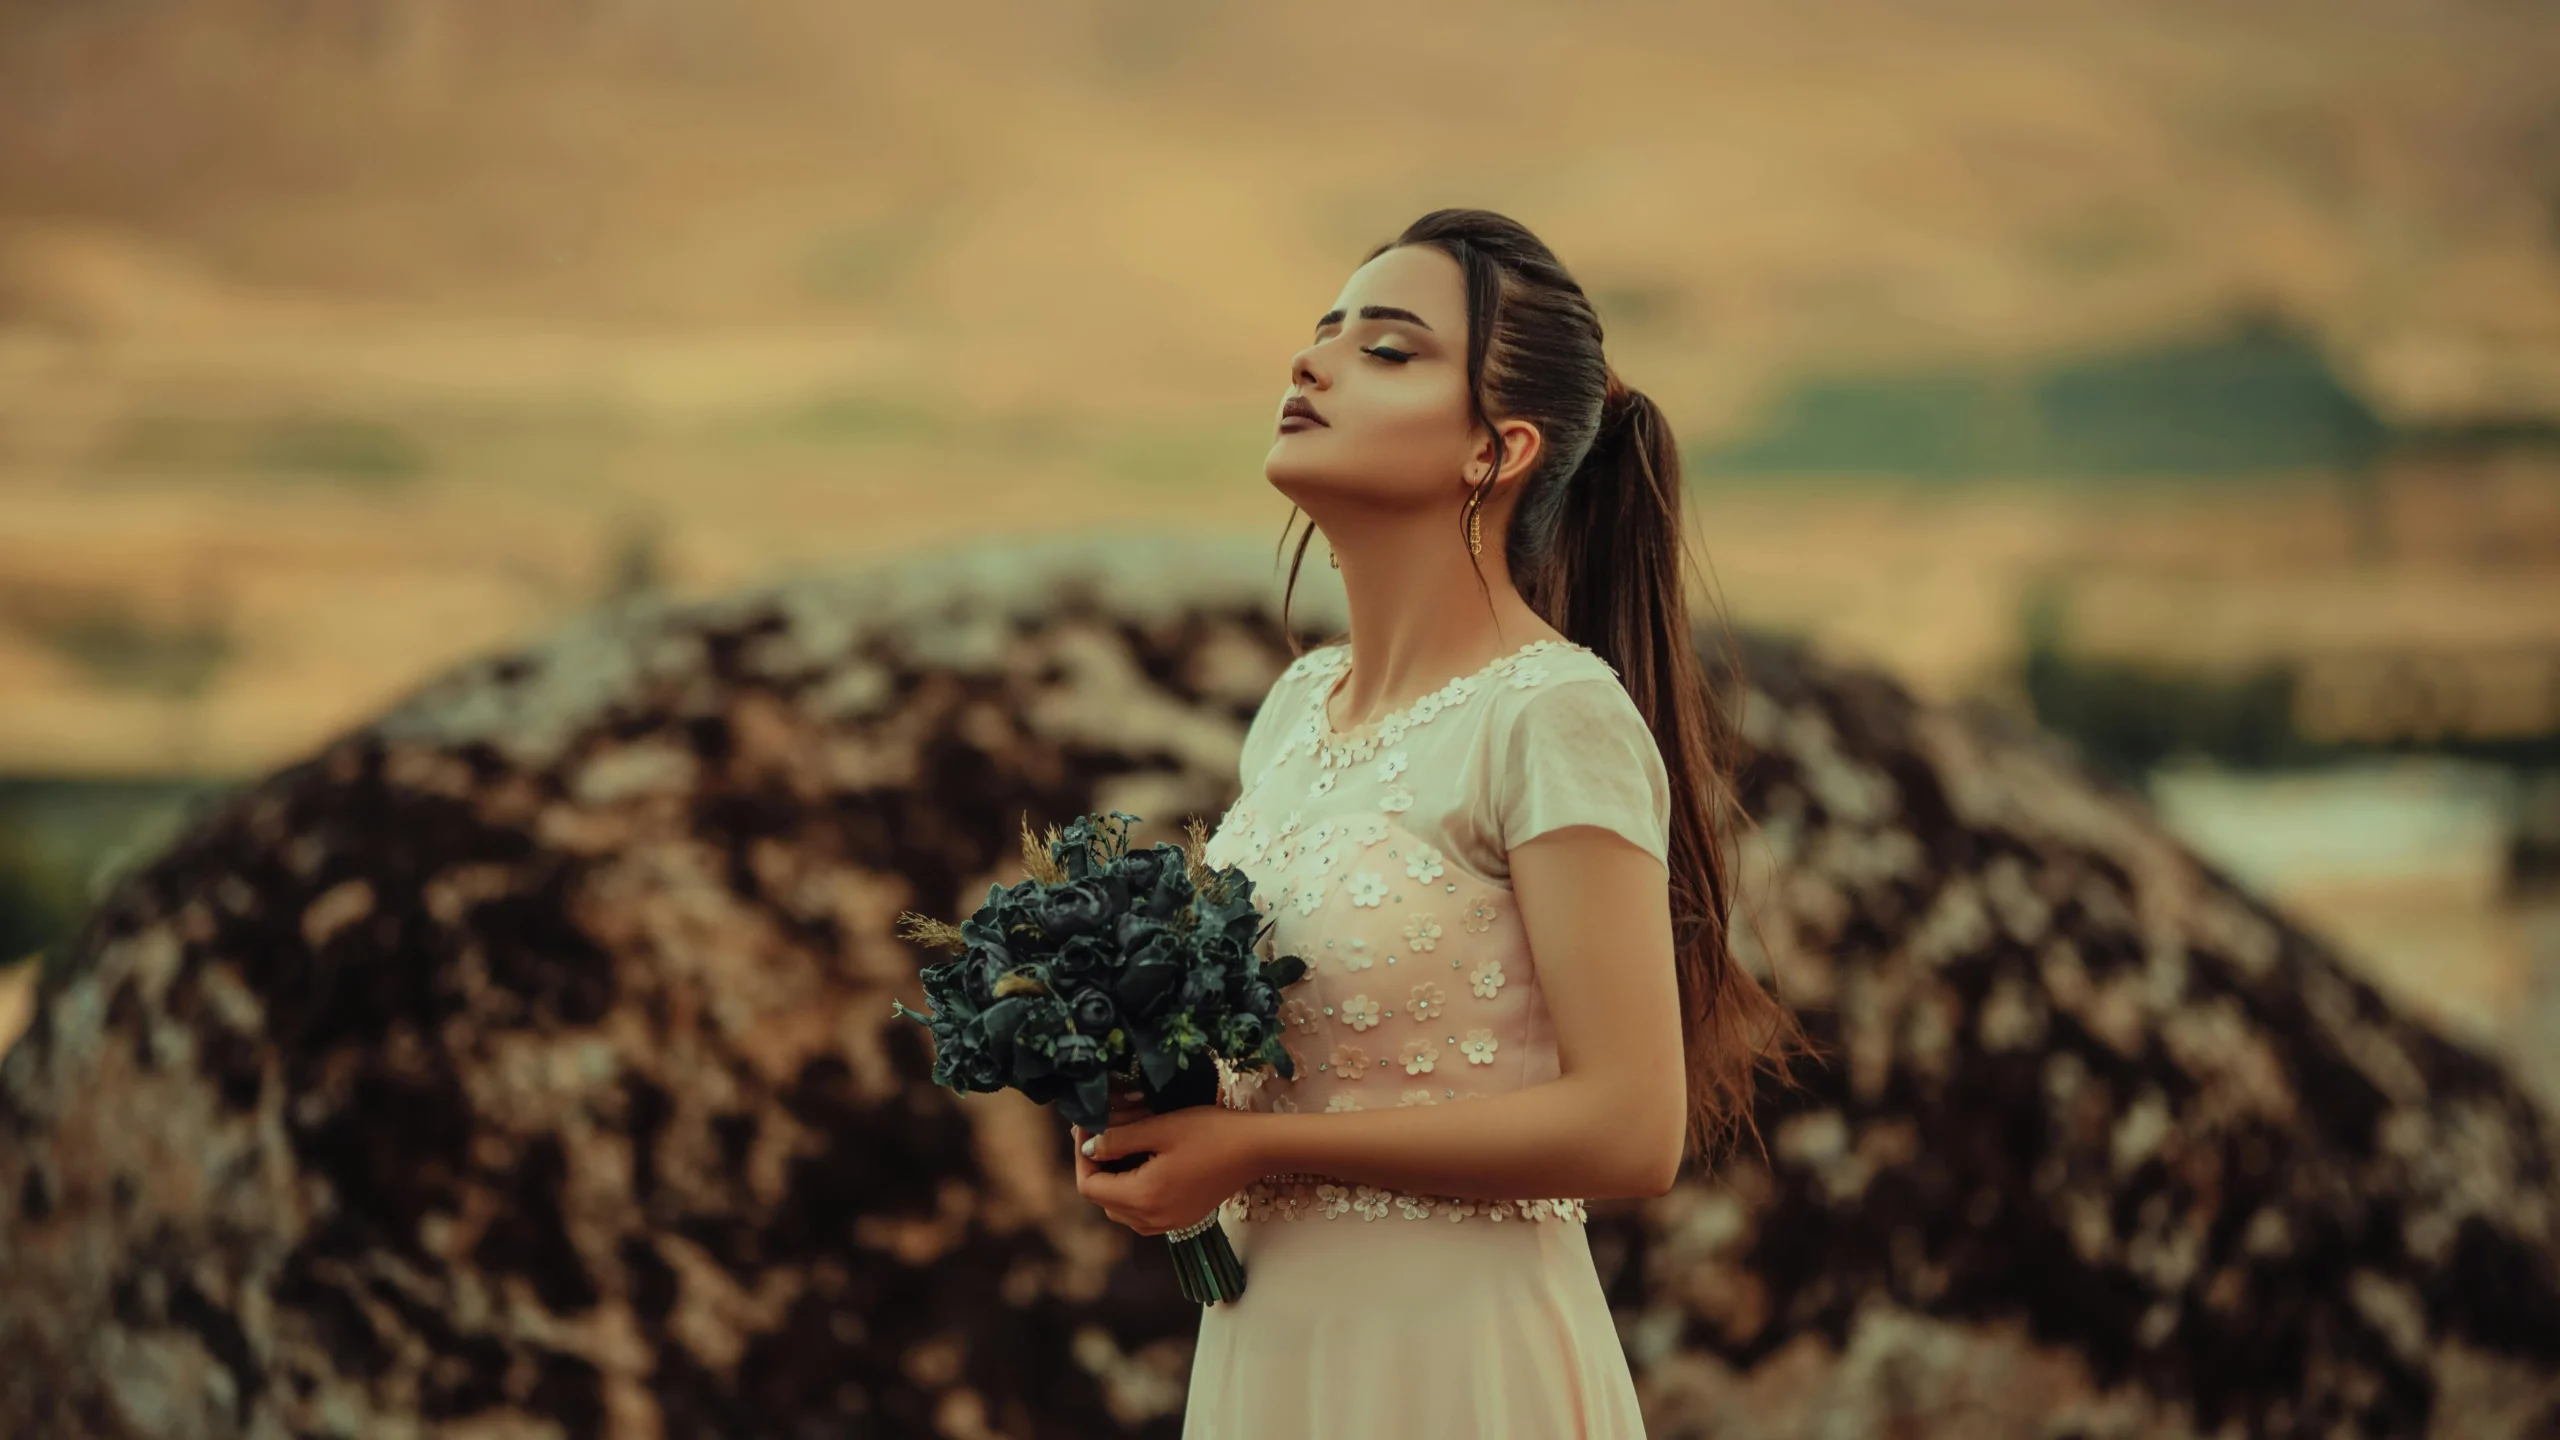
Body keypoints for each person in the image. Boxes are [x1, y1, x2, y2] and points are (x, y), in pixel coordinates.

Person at [1070, 208, 1803, 1438]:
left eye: (1388, 350)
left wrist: (1256, 1156)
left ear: (1496, 448)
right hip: (1267, 1354)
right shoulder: (1296, 711)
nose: (1311, 366)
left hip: (1458, 1361)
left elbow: (1632, 1129)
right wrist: (1156, 1108)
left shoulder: (1552, 715)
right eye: (1322, 336)